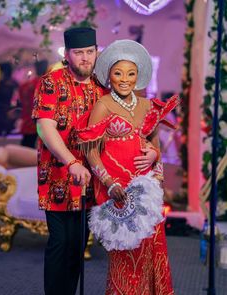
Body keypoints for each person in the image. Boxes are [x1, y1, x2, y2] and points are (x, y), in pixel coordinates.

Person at [32, 28, 158, 295]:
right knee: (61, 242)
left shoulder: (101, 85)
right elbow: (45, 127)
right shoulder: (51, 82)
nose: (86, 58)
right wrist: (70, 162)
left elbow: (129, 120)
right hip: (58, 176)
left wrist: (151, 149)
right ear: (67, 55)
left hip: (95, 178)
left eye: (90, 52)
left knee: (79, 244)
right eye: (79, 53)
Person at [77, 39, 180, 294]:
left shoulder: (147, 105)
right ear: (109, 75)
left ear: (138, 76)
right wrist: (109, 184)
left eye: (131, 73)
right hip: (117, 189)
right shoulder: (102, 106)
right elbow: (90, 151)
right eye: (118, 72)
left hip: (146, 188)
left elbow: (154, 143)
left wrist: (155, 157)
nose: (125, 79)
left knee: (151, 249)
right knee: (124, 255)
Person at [18, 60, 48, 148]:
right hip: (43, 121)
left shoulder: (25, 86)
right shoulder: (47, 85)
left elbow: (21, 102)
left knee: (26, 147)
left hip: (28, 120)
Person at [0, 62, 19, 136]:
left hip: (0, 105)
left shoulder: (0, 82)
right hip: (6, 105)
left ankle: (3, 129)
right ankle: (5, 129)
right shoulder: (12, 82)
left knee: (1, 120)